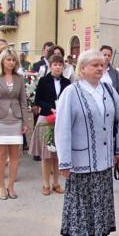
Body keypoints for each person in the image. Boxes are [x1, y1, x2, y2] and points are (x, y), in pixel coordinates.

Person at [54, 49, 119, 236]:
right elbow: (63, 128)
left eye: (102, 64)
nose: (99, 67)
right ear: (82, 68)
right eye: (94, 64)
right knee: (82, 201)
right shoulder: (71, 92)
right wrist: (64, 161)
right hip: (80, 160)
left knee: (100, 201)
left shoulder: (108, 90)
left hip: (104, 159)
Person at [0, 47, 31, 200]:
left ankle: (11, 186)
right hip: (0, 120)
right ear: (2, 61)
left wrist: (25, 121)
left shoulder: (19, 78)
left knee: (15, 156)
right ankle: (1, 186)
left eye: (13, 60)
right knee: (0, 155)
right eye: (8, 60)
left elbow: (23, 102)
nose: (11, 62)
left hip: (16, 121)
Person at [31, 54, 71, 195]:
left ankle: (56, 183)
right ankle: (46, 184)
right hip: (47, 118)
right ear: (51, 66)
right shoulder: (43, 81)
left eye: (60, 65)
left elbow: (70, 100)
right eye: (55, 64)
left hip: (61, 120)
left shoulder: (67, 83)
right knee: (47, 154)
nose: (58, 67)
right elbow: (38, 100)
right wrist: (51, 108)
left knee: (58, 154)